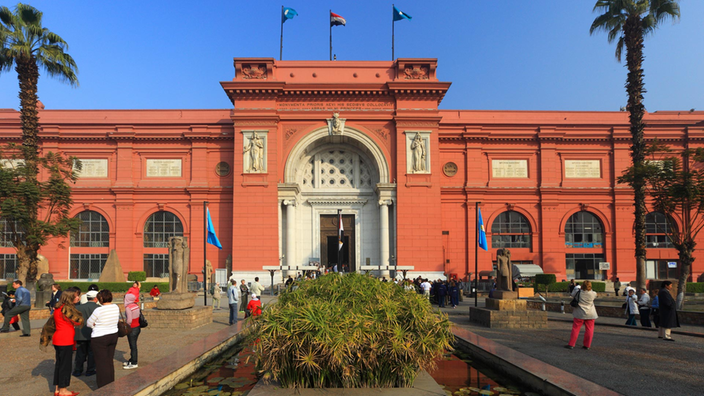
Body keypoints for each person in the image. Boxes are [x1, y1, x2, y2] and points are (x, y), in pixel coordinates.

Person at [52, 288, 84, 396]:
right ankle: (63, 390)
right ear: (70, 297)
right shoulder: (66, 309)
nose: (78, 298)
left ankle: (57, 388)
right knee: (65, 366)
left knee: (59, 364)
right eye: (76, 296)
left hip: (58, 338)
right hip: (65, 339)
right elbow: (77, 321)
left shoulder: (58, 307)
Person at [87, 289, 120, 388]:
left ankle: (103, 385)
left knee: (101, 362)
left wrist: (94, 326)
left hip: (100, 337)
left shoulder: (99, 310)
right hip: (113, 334)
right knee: (109, 360)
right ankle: (110, 381)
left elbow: (89, 323)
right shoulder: (115, 307)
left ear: (100, 299)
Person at [565, 280, 598, 350]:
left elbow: (572, 294)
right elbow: (594, 294)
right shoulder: (593, 293)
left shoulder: (579, 292)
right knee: (590, 329)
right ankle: (587, 345)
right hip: (590, 313)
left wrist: (578, 288)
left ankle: (571, 344)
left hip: (579, 313)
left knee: (576, 329)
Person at [74, 290, 99, 377]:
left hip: (80, 332)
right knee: (91, 353)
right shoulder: (98, 308)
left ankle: (78, 370)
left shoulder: (78, 307)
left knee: (80, 352)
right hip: (93, 332)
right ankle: (90, 369)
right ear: (96, 298)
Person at [123, 292, 141, 369]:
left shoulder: (128, 308)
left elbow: (129, 320)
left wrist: (126, 326)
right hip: (137, 327)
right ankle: (131, 359)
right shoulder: (136, 306)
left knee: (132, 346)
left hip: (132, 328)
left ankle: (134, 362)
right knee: (133, 345)